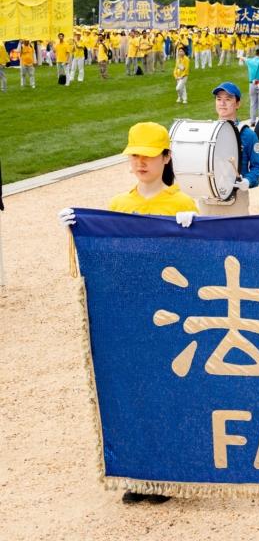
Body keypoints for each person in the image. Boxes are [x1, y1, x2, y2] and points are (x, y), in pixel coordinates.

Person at [58, 121, 196, 505]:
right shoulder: (119, 205)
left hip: (168, 309)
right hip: (131, 310)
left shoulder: (182, 204)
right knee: (133, 391)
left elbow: (194, 262)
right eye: (135, 155)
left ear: (166, 158)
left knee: (166, 392)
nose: (140, 162)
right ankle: (138, 473)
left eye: (149, 155)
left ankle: (167, 473)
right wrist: (79, 229)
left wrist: (194, 229)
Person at [199, 82, 259, 217]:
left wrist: (248, 180)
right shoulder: (206, 132)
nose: (222, 103)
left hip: (236, 198)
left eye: (228, 99)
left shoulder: (248, 134)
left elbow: (258, 167)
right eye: (219, 99)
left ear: (238, 104)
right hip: (208, 197)